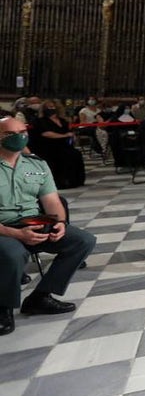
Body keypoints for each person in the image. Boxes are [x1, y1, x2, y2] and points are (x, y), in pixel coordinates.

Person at [0, 115, 97, 335]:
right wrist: (16, 234)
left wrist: (59, 223)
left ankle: (40, 297)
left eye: (22, 132)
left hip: (31, 222)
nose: (19, 137)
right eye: (10, 134)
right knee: (13, 253)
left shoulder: (37, 164)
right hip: (3, 227)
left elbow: (52, 201)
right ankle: (3, 307)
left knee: (82, 241)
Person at [30, 100, 86, 188]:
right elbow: (46, 133)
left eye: (53, 107)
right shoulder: (40, 121)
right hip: (47, 145)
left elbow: (69, 131)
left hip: (63, 145)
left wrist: (72, 136)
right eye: (48, 107)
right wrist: (64, 135)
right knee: (62, 155)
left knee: (76, 154)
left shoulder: (63, 121)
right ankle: (61, 181)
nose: (51, 109)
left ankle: (75, 180)